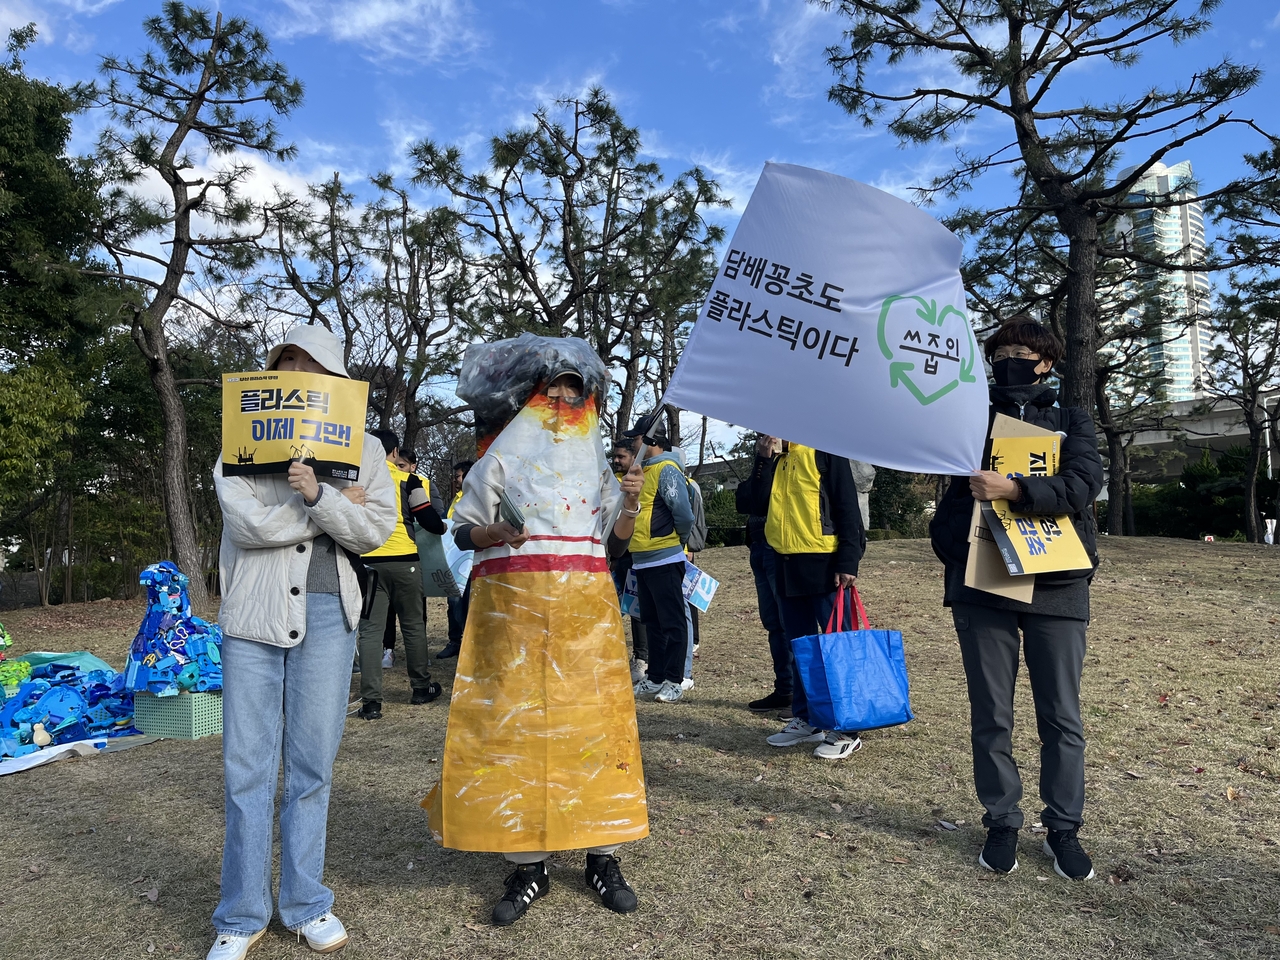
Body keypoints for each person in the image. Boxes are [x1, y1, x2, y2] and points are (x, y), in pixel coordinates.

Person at [421, 334, 648, 926]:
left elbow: (611, 543)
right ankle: (528, 865)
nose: (564, 404)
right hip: (511, 616)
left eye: (576, 393)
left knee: (594, 727)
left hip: (586, 619)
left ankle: (604, 856)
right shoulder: (496, 459)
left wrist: (629, 505)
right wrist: (493, 534)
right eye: (554, 391)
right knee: (515, 730)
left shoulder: (599, 467)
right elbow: (463, 532)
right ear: (530, 396)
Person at [208, 324, 396, 960]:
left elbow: (374, 532)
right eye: (285, 365)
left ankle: (307, 902)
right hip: (252, 615)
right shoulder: (237, 440)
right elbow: (246, 522)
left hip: (327, 617)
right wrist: (325, 504)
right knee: (246, 768)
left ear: (333, 382)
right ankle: (240, 914)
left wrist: (321, 494)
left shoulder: (366, 447)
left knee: (312, 767)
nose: (296, 375)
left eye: (309, 367)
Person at [930, 315, 1103, 881]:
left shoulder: (1072, 419)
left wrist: (1017, 489)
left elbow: (1081, 486)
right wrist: (951, 541)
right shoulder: (968, 420)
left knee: (1061, 714)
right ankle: (1001, 818)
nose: (1008, 359)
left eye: (1020, 351)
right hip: (985, 581)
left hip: (1056, 582)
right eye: (999, 351)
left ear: (1046, 361)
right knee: (991, 714)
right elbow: (949, 490)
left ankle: (1063, 827)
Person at [755, 440, 867, 760]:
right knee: (802, 649)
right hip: (786, 564)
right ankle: (807, 719)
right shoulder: (777, 458)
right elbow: (753, 501)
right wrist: (763, 460)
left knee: (836, 649)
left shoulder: (826, 449)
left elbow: (847, 506)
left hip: (826, 565)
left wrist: (848, 561)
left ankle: (847, 728)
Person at [355, 429, 445, 720]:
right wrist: (443, 528)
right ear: (395, 453)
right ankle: (421, 688)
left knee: (370, 631)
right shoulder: (410, 479)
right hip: (405, 561)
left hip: (368, 562)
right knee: (413, 625)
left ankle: (371, 703)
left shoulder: (358, 481)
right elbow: (428, 519)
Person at [622, 417, 695, 704]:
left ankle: (675, 679)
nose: (632, 444)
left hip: (664, 557)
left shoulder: (666, 469)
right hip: (641, 559)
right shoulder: (643, 471)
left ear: (651, 439)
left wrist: (676, 541)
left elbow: (684, 514)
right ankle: (654, 677)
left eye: (636, 438)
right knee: (651, 621)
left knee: (673, 622)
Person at [736, 433, 791, 714]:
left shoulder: (791, 463)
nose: (764, 440)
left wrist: (768, 459)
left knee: (788, 621)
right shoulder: (763, 462)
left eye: (769, 436)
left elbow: (766, 496)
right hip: (758, 545)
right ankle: (785, 690)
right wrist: (762, 459)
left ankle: (796, 693)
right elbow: (746, 500)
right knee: (773, 623)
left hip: (778, 547)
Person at [609, 440, 649, 682]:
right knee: (621, 606)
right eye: (615, 456)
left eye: (621, 457)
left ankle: (642, 659)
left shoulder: (644, 480)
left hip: (640, 553)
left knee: (638, 610)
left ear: (634, 458)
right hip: (619, 556)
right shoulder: (611, 482)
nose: (616, 461)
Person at [437, 459, 475, 660]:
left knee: (467, 602)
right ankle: (455, 641)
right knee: (453, 601)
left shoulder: (475, 498)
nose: (455, 480)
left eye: (458, 476)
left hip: (470, 560)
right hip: (453, 559)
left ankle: (469, 644)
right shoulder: (456, 499)